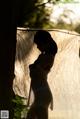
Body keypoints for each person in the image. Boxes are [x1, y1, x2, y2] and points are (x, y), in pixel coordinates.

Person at [27, 30, 58, 119]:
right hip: (39, 96)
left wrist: (32, 67)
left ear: (46, 43)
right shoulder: (42, 57)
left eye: (39, 44)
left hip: (42, 95)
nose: (37, 47)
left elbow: (37, 72)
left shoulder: (48, 57)